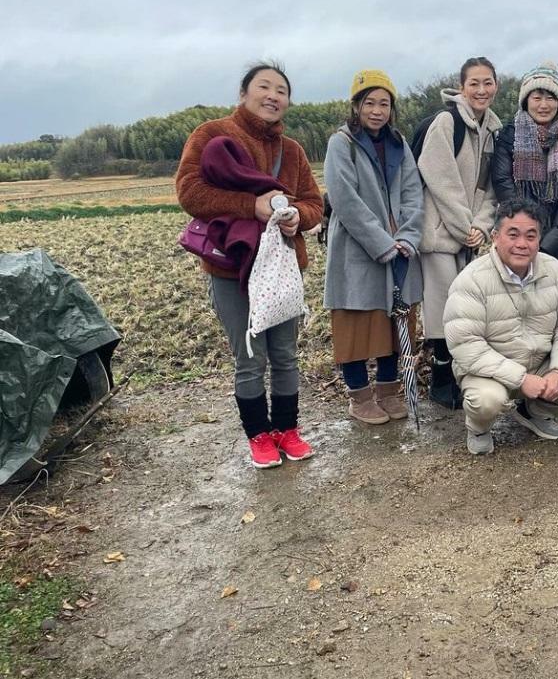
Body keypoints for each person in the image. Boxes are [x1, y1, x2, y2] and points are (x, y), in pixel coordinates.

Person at [176, 62, 322, 468]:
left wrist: (297, 215)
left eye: (281, 90)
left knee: (286, 354)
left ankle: (287, 429)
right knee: (249, 356)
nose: (273, 95)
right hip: (232, 270)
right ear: (244, 93)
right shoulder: (211, 135)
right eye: (264, 86)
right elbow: (189, 191)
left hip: (283, 269)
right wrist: (250, 206)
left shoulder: (291, 150)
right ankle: (258, 436)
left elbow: (314, 203)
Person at [443, 199, 558, 455]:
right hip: (489, 372)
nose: (522, 244)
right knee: (487, 401)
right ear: (495, 237)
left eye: (531, 236)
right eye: (513, 234)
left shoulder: (554, 270)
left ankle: (534, 411)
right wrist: (519, 378)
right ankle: (478, 428)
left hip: (539, 363)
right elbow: (466, 344)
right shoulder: (471, 280)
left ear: (539, 239)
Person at [323, 70, 424, 424]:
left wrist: (409, 236)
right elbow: (344, 198)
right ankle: (359, 397)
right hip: (357, 247)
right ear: (356, 106)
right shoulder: (342, 142)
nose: (377, 110)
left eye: (384, 103)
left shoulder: (399, 143)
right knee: (355, 322)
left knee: (394, 322)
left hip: (401, 247)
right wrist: (382, 243)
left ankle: (388, 390)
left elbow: (413, 191)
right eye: (370, 102)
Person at [418, 57, 502, 409]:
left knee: (465, 309)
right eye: (474, 84)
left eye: (487, 83)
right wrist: (462, 225)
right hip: (439, 234)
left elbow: (490, 189)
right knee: (440, 310)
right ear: (462, 86)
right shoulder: (447, 122)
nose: (481, 90)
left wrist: (481, 227)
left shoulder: (493, 130)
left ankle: (458, 376)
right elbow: (440, 179)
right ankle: (440, 380)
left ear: (496, 85)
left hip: (468, 235)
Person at [490, 61, 558, 281]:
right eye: (537, 97)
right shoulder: (508, 137)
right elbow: (504, 186)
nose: (544, 105)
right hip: (519, 240)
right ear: (526, 101)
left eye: (551, 97)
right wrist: (528, 236)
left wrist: (546, 245)